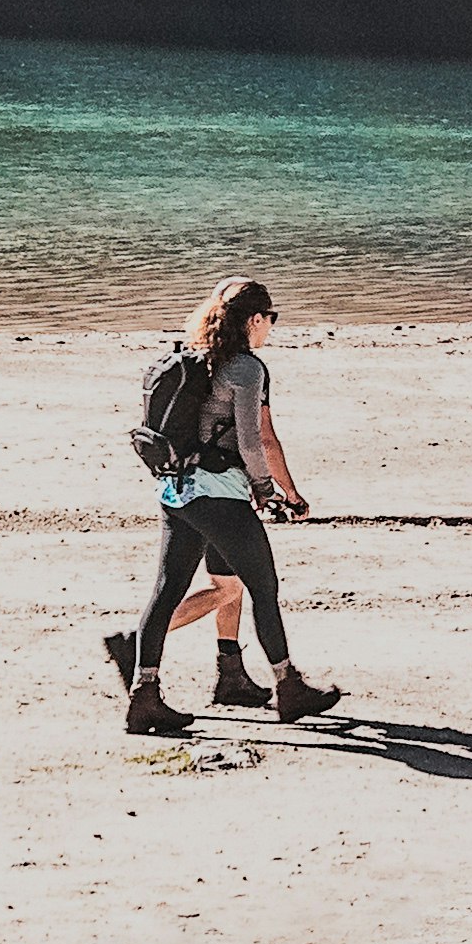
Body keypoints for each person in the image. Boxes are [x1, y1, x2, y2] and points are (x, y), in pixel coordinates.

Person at [111, 274, 343, 738]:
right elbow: (252, 441)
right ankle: (288, 688)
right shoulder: (246, 368)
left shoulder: (198, 359)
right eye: (270, 320)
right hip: (219, 494)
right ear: (255, 320)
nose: (270, 329)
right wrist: (269, 490)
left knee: (167, 589)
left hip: (177, 491)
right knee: (264, 587)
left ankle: (146, 696)